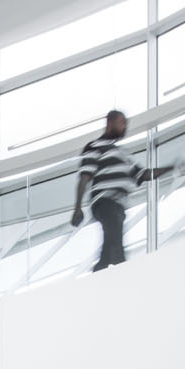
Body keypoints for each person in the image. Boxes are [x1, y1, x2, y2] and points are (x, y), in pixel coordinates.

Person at [68, 109, 163, 271]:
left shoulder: (121, 154)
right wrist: (77, 208)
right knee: (116, 244)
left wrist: (171, 168)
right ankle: (120, 271)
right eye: (122, 122)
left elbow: (143, 174)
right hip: (105, 202)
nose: (125, 127)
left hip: (118, 206)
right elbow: (85, 176)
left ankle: (104, 270)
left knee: (110, 243)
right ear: (110, 123)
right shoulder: (94, 146)